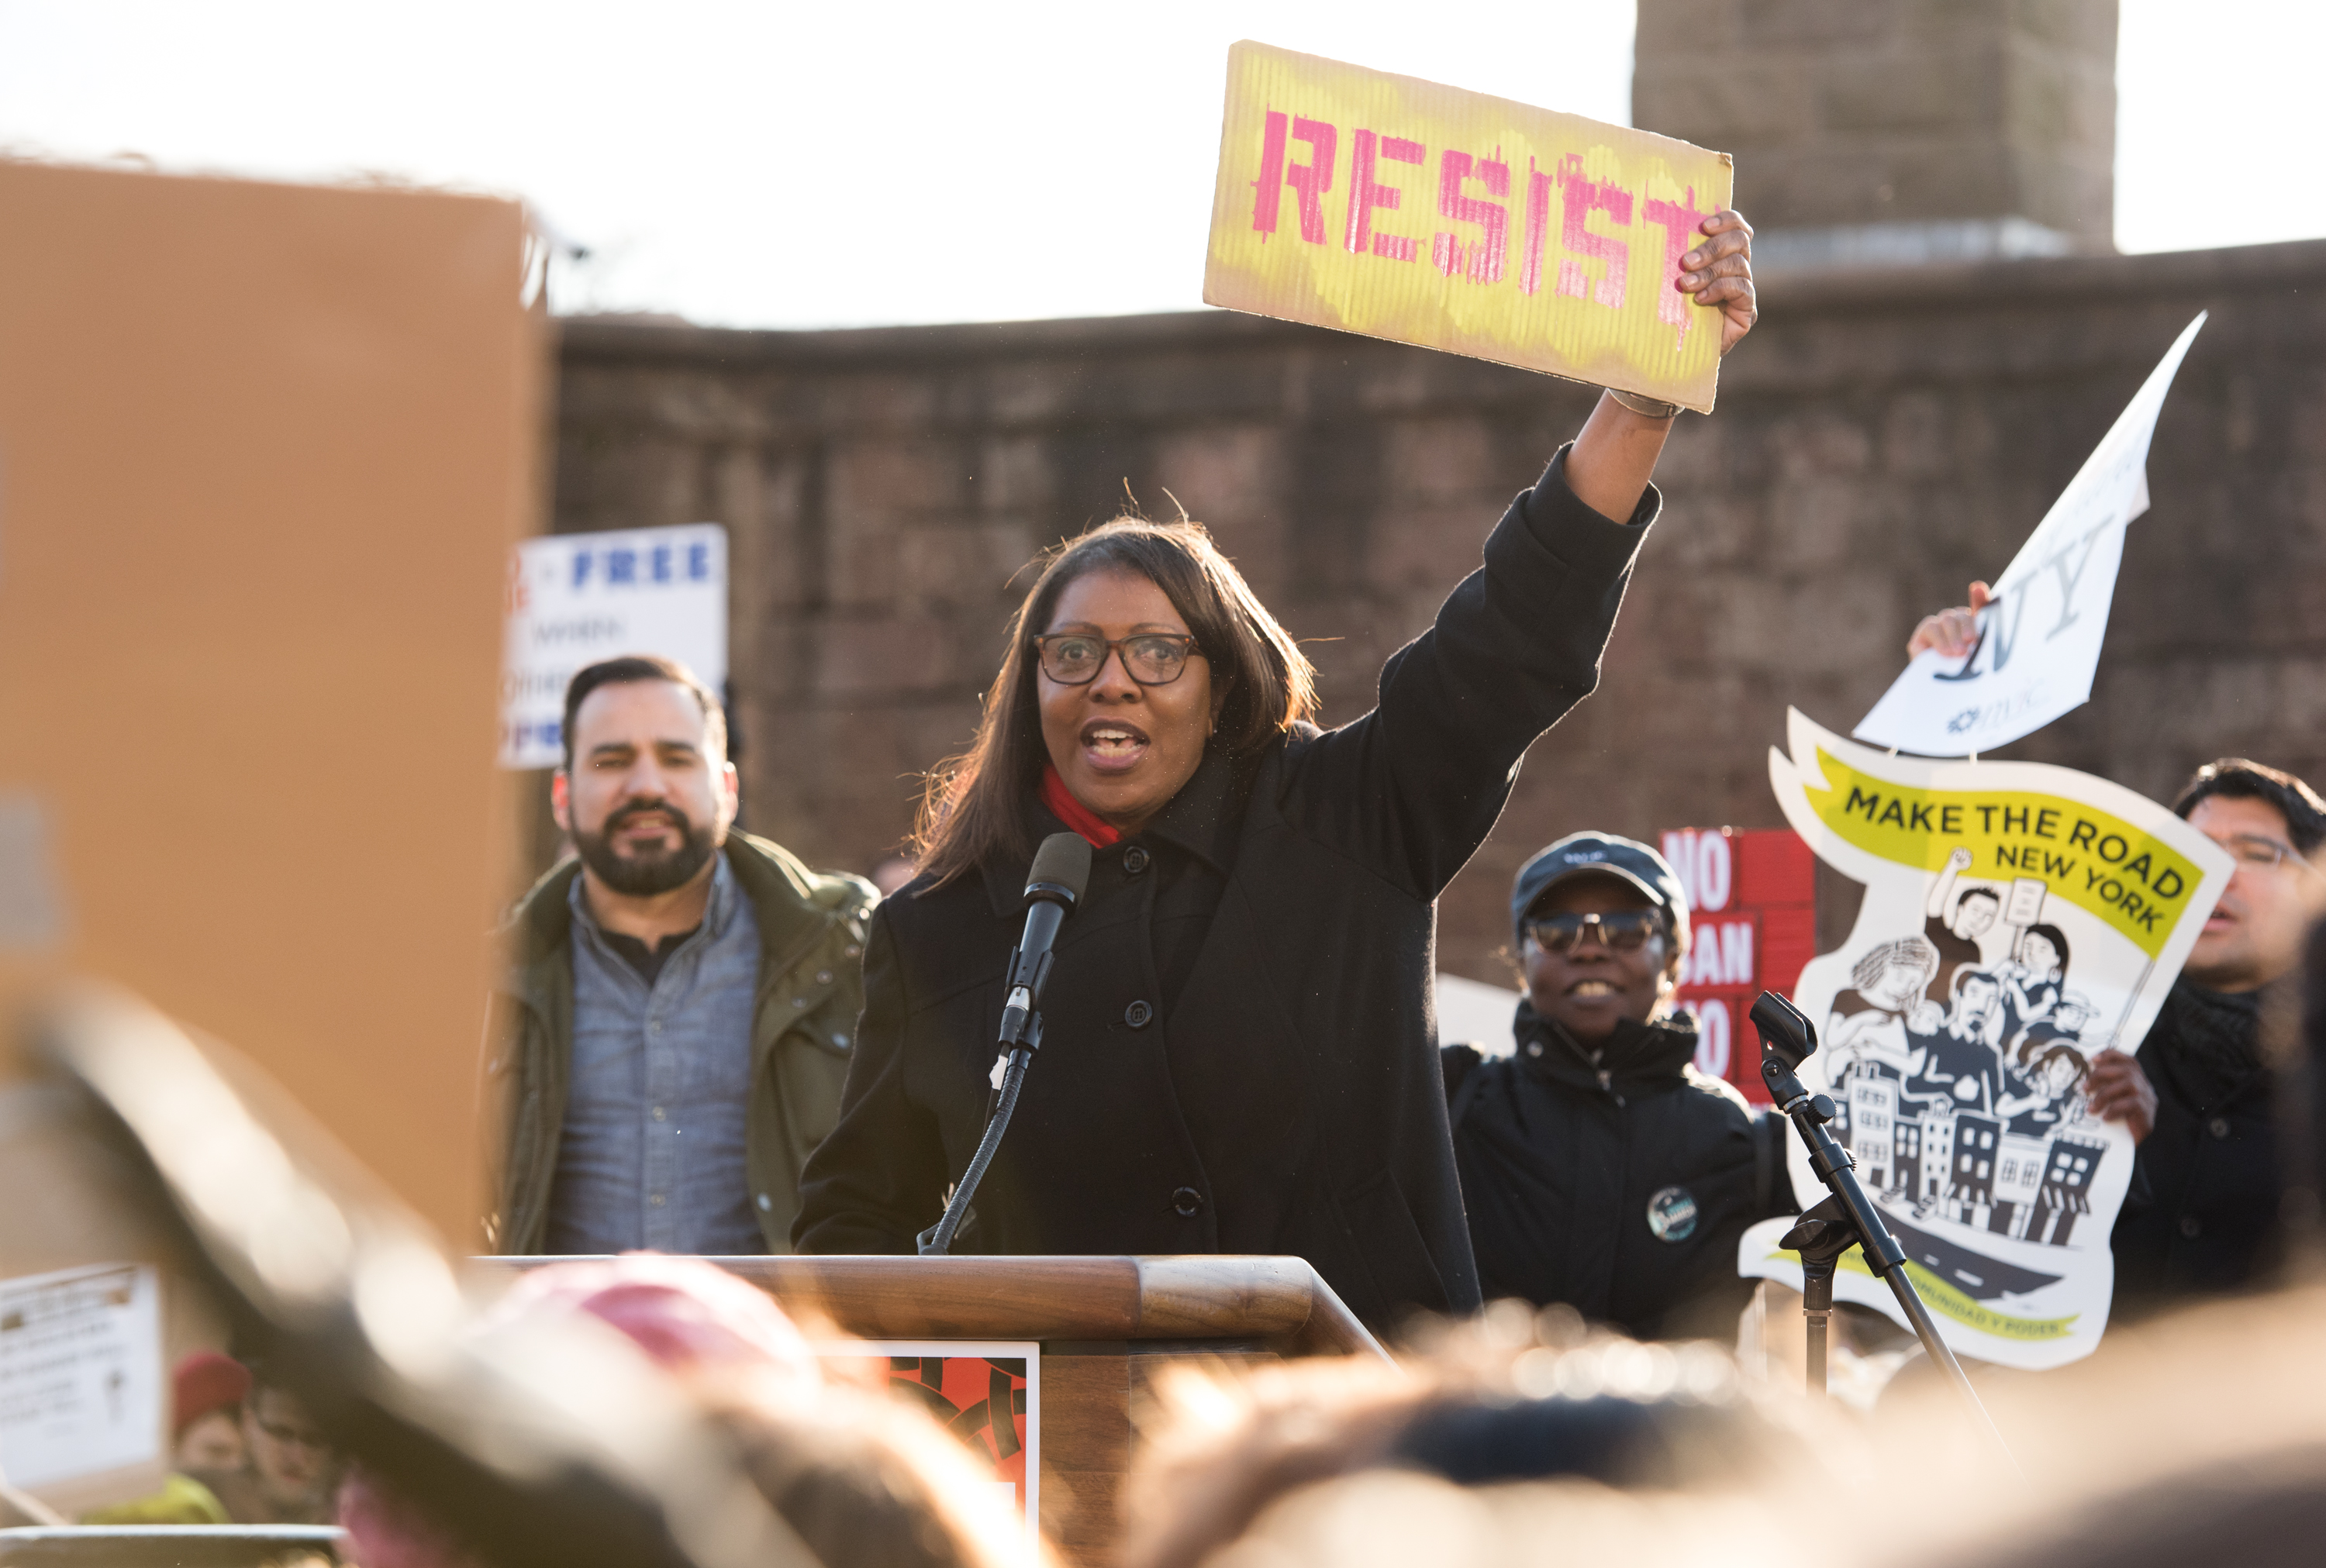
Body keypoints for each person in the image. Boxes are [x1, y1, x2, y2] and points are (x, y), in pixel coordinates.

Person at [794, 213, 1762, 1325]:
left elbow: (1514, 638)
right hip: (1087, 1464)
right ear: (1031, 687)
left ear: (1222, 682)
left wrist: (1641, 399)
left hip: (1365, 1450)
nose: (1112, 681)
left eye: (1157, 651)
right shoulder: (941, 934)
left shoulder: (1347, 822)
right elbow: (850, 1229)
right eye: (1073, 653)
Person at [1909, 589, 2326, 1309]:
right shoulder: (2087, 1027)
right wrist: (1947, 701)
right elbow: (1958, 894)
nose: (2212, 875)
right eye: (2190, 854)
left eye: (2255, 852)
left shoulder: (2308, 1071)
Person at [485, 655, 878, 1256]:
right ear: (562, 796)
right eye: (611, 760)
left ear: (726, 787)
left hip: (782, 1346)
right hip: (558, 1347)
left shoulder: (850, 954)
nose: (646, 786)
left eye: (676, 758)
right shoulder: (489, 983)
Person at [1441, 834, 1792, 1341]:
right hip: (1479, 1421)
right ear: (1520, 958)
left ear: (1673, 958)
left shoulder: (1746, 1144)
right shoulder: (1452, 1102)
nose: (1588, 949)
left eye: (1627, 928)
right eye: (1556, 930)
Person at [184, 1361, 340, 1525]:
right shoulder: (205, 1495)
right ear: (249, 1424)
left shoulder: (348, 1513)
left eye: (314, 1441)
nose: (297, 1458)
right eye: (281, 1434)